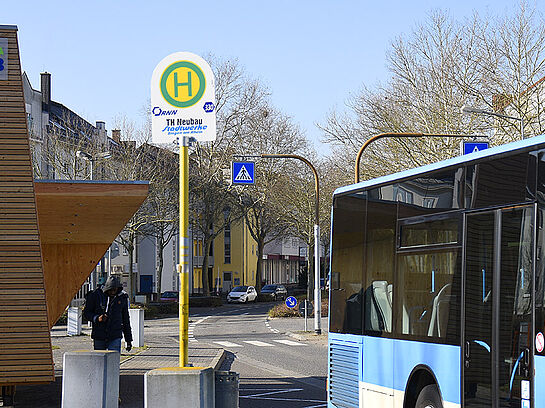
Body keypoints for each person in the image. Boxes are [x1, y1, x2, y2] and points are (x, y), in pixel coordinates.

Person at [83, 275, 132, 352]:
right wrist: (97, 318)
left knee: (113, 360)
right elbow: (86, 313)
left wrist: (128, 340)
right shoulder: (96, 296)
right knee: (99, 361)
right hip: (99, 335)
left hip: (115, 335)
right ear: (106, 289)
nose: (112, 292)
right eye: (110, 290)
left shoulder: (122, 298)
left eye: (115, 290)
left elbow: (126, 319)